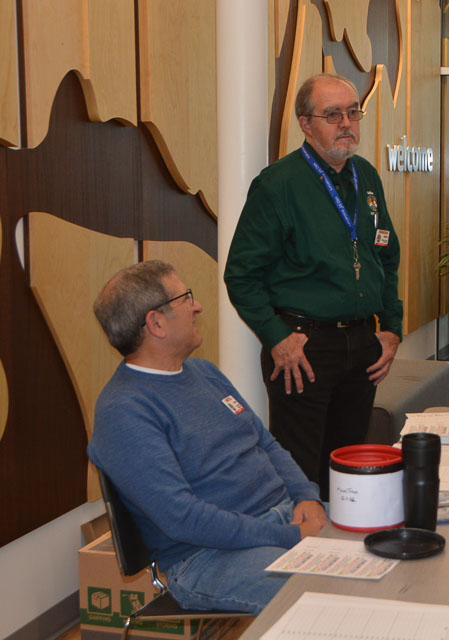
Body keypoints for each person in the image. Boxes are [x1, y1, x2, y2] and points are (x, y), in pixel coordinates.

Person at [88, 261, 326, 614]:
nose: (197, 306)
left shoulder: (204, 372)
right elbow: (184, 518)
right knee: (329, 594)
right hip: (208, 557)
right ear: (155, 323)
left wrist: (306, 496)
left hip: (284, 518)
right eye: (185, 298)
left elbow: (266, 443)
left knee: (384, 546)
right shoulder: (124, 410)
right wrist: (290, 536)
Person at [224, 73, 403, 501]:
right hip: (303, 350)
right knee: (301, 472)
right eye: (333, 115)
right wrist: (277, 338)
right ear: (306, 124)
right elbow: (241, 275)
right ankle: (301, 544)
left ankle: (342, 540)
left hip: (361, 345)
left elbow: (386, 256)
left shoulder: (366, 176)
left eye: (353, 112)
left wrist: (392, 328)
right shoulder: (278, 184)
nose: (347, 124)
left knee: (348, 468)